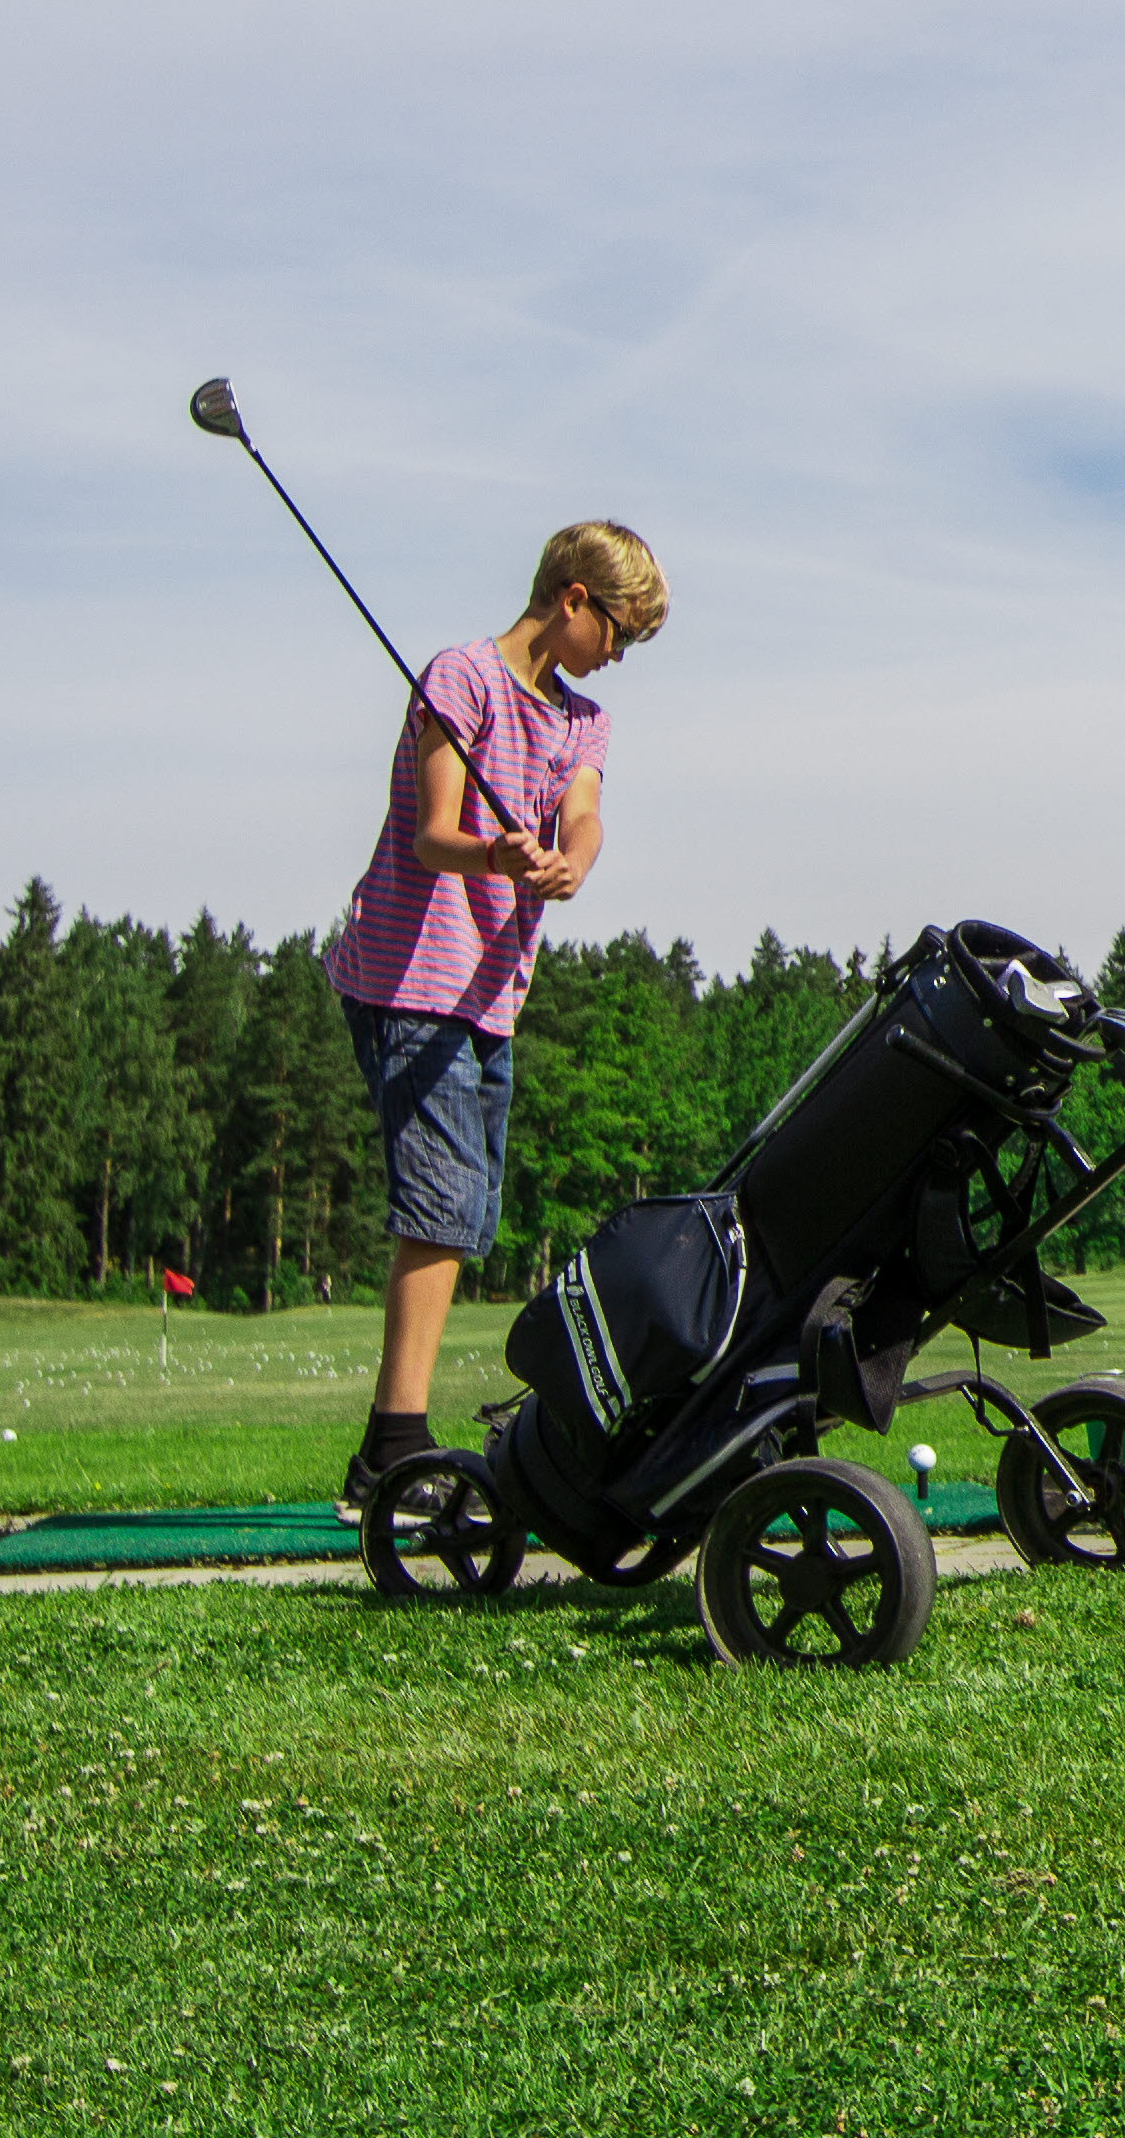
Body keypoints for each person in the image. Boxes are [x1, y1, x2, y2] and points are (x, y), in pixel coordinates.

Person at [323, 520, 664, 1511]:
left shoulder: (580, 720)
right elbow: (433, 834)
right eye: (618, 631)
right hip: (408, 978)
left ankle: (387, 1445)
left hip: (489, 991)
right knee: (437, 1208)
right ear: (571, 599)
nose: (618, 654)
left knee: (466, 1214)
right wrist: (498, 856)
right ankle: (394, 1448)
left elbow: (584, 812)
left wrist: (572, 860)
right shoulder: (459, 678)